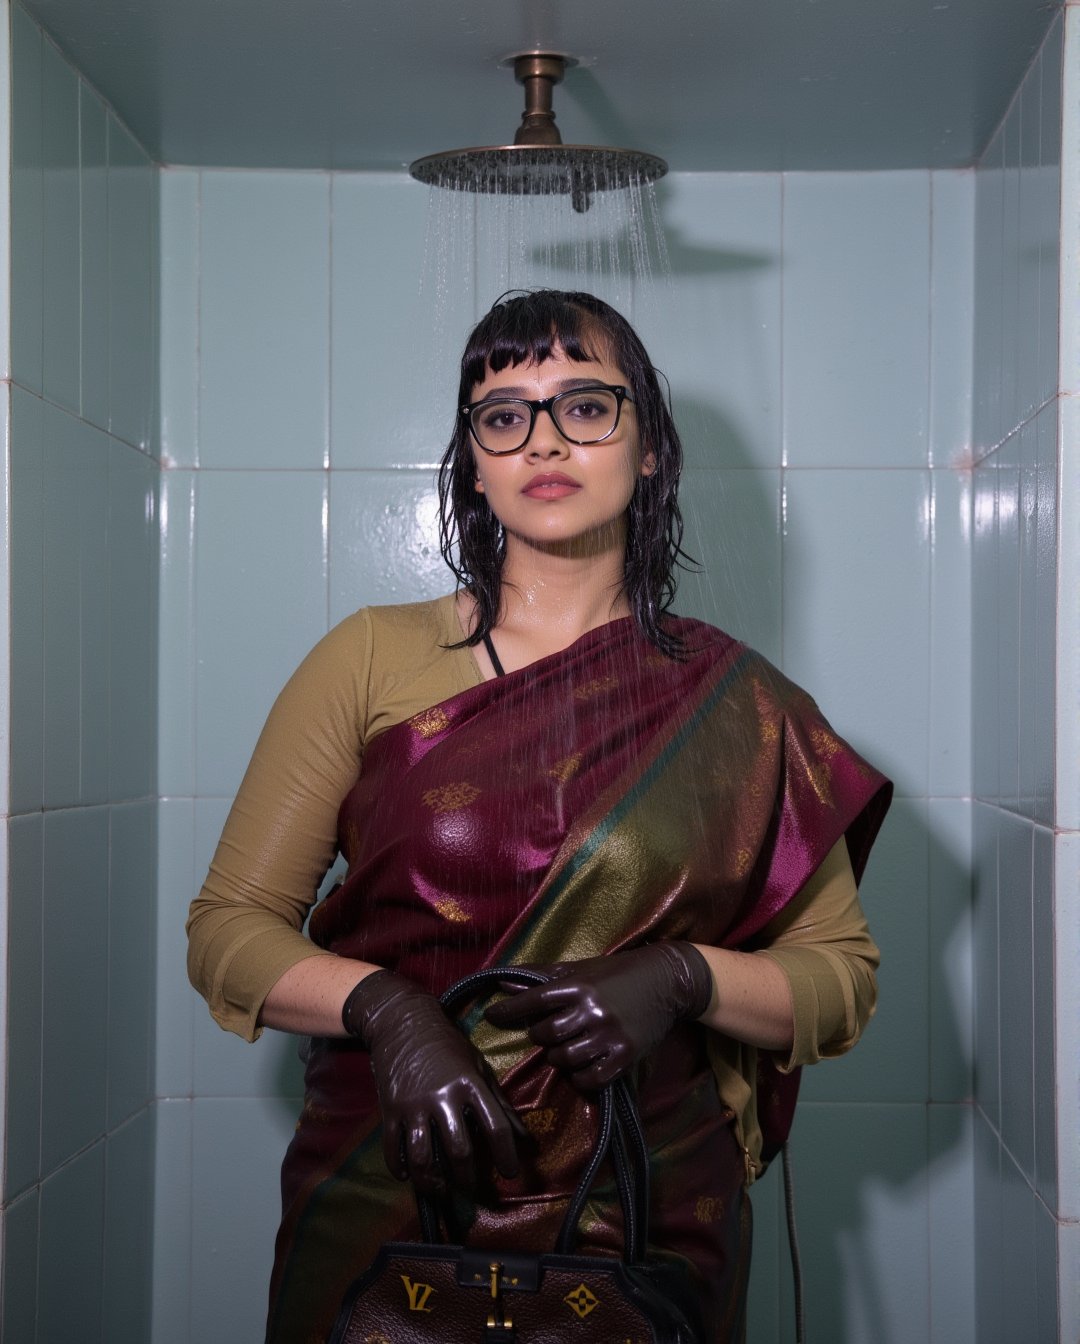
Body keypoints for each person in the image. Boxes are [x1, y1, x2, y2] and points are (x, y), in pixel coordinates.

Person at [187, 289, 891, 1344]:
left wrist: (682, 977)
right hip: (394, 1198)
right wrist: (388, 1011)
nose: (544, 439)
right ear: (474, 460)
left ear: (649, 448)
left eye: (587, 406)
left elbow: (842, 982)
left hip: (646, 1218)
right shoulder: (371, 660)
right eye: (504, 414)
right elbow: (227, 934)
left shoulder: (740, 706)